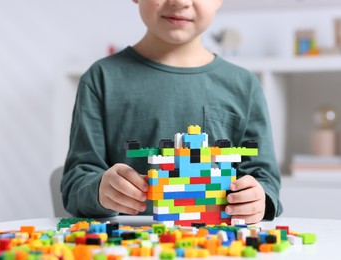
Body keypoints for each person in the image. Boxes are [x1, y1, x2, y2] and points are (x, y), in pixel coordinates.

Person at [61, 0, 283, 224]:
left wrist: (257, 199)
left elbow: (264, 179)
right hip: (132, 243)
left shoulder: (243, 85)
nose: (180, 2)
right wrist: (100, 191)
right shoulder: (101, 78)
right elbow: (76, 184)